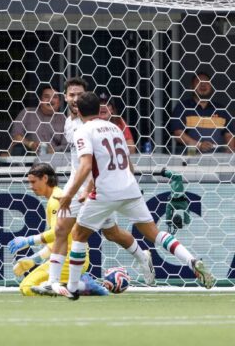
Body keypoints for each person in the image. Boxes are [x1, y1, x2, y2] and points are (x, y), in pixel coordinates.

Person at [54, 92, 214, 299]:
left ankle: (73, 288)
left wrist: (70, 195)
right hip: (129, 187)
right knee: (154, 233)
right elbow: (128, 163)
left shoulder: (83, 131)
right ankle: (191, 260)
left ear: (79, 110)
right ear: (99, 108)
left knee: (78, 235)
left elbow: (85, 166)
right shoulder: (115, 128)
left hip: (105, 192)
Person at [31, 77, 154, 296]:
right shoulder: (68, 121)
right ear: (66, 97)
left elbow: (94, 163)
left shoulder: (91, 123)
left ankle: (142, 256)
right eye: (71, 94)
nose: (75, 98)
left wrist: (88, 189)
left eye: (79, 94)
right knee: (61, 229)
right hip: (78, 183)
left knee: (112, 233)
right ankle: (53, 282)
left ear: (86, 97)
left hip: (95, 186)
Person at [8, 163, 107, 297]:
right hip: (69, 256)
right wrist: (34, 259)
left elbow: (57, 232)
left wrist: (28, 241)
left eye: (33, 182)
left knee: (27, 287)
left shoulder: (56, 200)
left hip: (69, 258)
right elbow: (58, 241)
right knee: (33, 287)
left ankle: (83, 285)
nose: (31, 187)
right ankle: (78, 283)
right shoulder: (56, 197)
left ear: (45, 178)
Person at [169, 71, 235, 154]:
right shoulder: (182, 107)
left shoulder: (221, 110)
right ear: (192, 87)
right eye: (198, 82)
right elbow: (178, 133)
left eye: (206, 82)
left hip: (215, 160)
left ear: (211, 87)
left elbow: (229, 135)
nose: (203, 85)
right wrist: (199, 145)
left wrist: (229, 153)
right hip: (188, 158)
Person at [10, 84, 66, 155]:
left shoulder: (64, 119)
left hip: (54, 158)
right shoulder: (27, 113)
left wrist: (51, 150)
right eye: (46, 96)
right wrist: (31, 144)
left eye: (54, 97)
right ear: (40, 100)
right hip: (28, 157)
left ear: (60, 103)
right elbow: (16, 136)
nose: (50, 100)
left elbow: (66, 146)